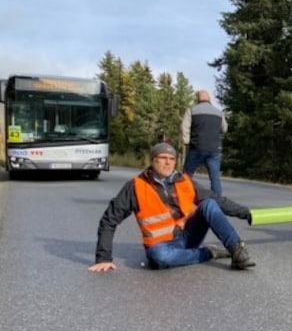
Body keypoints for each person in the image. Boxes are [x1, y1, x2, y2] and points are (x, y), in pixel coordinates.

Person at [88, 142, 256, 272]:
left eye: (171, 159)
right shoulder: (136, 186)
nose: (167, 163)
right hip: (162, 245)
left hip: (188, 236)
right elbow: (109, 219)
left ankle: (237, 251)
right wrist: (103, 258)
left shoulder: (185, 181)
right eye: (162, 158)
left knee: (210, 205)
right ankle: (209, 253)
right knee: (158, 257)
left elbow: (218, 200)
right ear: (152, 161)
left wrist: (247, 213)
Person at [182, 89, 227, 196]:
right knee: (215, 178)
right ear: (209, 99)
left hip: (197, 147)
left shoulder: (192, 110)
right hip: (214, 149)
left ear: (197, 99)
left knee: (186, 175)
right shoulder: (219, 112)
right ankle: (217, 201)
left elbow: (185, 127)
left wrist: (186, 141)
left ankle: (183, 195)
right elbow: (224, 128)